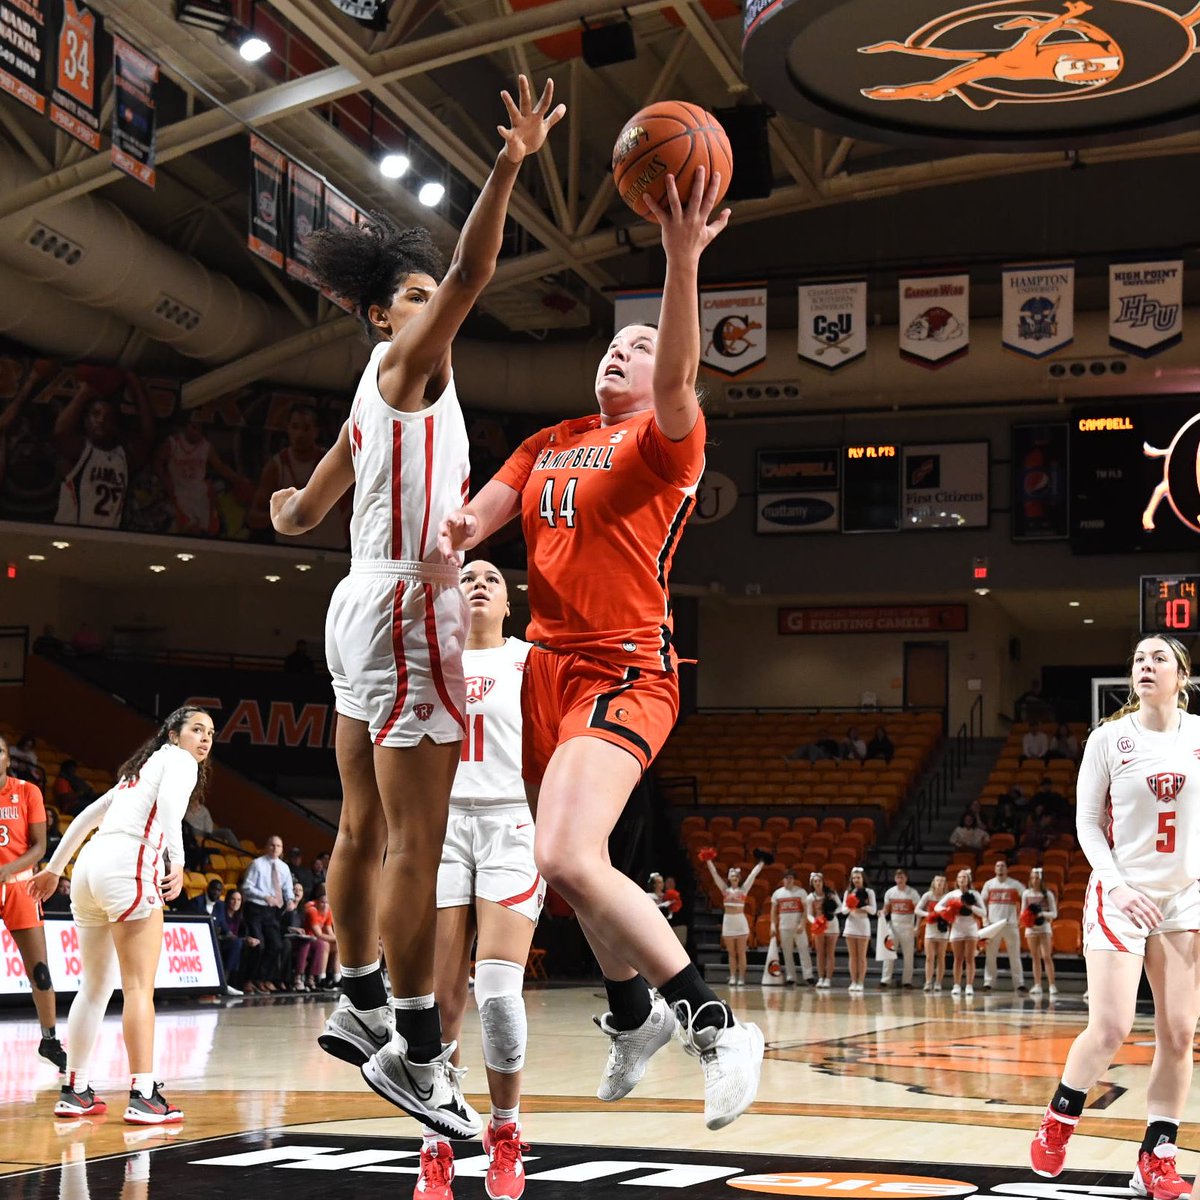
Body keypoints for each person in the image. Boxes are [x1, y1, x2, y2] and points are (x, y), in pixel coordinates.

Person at [439, 160, 763, 1132]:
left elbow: (677, 372)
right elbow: (477, 520)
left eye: (642, 347)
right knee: (578, 873)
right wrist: (454, 532)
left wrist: (678, 261)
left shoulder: (669, 443)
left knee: (566, 853)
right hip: (545, 668)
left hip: (626, 665)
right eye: (614, 344)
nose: (623, 354)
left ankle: (711, 1023)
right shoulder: (549, 441)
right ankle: (630, 1015)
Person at [269, 75, 564, 1143]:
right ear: (384, 313)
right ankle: (415, 1047)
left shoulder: (367, 398)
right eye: (418, 291)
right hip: (404, 610)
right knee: (417, 836)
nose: (438, 298)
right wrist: (509, 162)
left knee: (358, 822)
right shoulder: (410, 362)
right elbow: (482, 266)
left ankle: (352, 996)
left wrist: (285, 507)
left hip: (356, 601)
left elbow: (303, 511)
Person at [1030, 636, 1200, 1196]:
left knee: (1178, 1034)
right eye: (1138, 659)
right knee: (1109, 1028)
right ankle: (1058, 1121)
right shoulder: (1109, 739)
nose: (1145, 666)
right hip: (1121, 895)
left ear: (1182, 675)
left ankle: (1157, 1155)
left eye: (1159, 659)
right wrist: (1118, 886)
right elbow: (1084, 824)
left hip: (1183, 898)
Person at [418, 559, 544, 1198]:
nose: (478, 583)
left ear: (508, 604)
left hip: (509, 825)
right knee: (440, 1004)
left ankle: (506, 1132)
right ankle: (436, 1142)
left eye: (492, 578)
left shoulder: (529, 661)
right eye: (466, 577)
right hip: (440, 828)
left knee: (498, 996)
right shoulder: (428, 657)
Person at [29, 706, 214, 1124]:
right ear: (173, 735)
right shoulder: (178, 761)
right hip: (128, 862)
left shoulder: (140, 771)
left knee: (94, 987)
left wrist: (56, 868)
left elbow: (86, 817)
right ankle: (144, 1094)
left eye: (210, 733)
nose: (204, 739)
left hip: (89, 868)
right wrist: (178, 861)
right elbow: (169, 805)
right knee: (137, 989)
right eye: (196, 730)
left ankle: (75, 1090)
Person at [0, 734, 67, 1073]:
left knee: (39, 971)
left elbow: (39, 847)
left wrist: (7, 869)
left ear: (7, 757)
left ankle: (50, 1039)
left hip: (19, 887)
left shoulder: (28, 792)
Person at [53, 371, 154, 528]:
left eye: (108, 417)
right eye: (96, 414)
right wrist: (85, 393)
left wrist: (134, 382)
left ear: (115, 426)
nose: (101, 420)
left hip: (106, 537)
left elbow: (148, 437)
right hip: (70, 533)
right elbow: (60, 432)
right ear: (85, 421)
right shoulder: (79, 451)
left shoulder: (122, 458)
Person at [249, 402, 349, 549]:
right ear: (288, 429)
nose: (300, 434)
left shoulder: (333, 460)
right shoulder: (276, 466)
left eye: (306, 428)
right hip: (290, 550)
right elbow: (253, 517)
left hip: (330, 549)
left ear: (316, 431)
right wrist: (281, 516)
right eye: (295, 427)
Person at [154, 409, 250, 536]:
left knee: (209, 531)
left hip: (200, 493)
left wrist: (238, 479)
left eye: (200, 429)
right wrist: (164, 480)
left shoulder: (206, 446)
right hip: (179, 491)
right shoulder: (173, 443)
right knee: (189, 529)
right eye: (193, 427)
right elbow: (157, 462)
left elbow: (220, 466)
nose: (196, 432)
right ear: (186, 426)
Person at [239, 835, 294, 994]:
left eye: (278, 846)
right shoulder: (257, 864)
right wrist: (265, 896)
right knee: (259, 945)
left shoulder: (284, 867)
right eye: (272, 845)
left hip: (272, 911)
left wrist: (290, 900)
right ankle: (248, 980)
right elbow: (246, 887)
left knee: (276, 945)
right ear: (266, 846)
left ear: (282, 849)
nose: (275, 848)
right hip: (255, 908)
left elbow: (287, 888)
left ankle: (262, 979)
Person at [703, 857, 764, 987]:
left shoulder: (743, 890)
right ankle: (732, 976)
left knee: (741, 952)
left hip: (740, 922)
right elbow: (714, 875)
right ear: (729, 877)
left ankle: (741, 978)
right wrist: (708, 860)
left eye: (736, 875)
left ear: (739, 877)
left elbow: (753, 875)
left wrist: (761, 862)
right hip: (728, 923)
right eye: (732, 874)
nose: (734, 876)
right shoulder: (724, 890)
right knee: (731, 953)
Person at [935, 868, 986, 997]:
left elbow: (984, 912)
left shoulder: (975, 894)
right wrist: (949, 909)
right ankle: (956, 985)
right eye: (959, 877)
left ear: (968, 879)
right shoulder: (952, 894)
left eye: (964, 877)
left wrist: (971, 907)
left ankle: (969, 985)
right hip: (957, 928)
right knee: (957, 959)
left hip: (970, 927)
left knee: (970, 958)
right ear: (956, 880)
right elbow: (937, 907)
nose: (962, 879)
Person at [981, 859, 1026, 992]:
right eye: (997, 866)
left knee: (1015, 955)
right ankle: (988, 982)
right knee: (990, 955)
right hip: (993, 924)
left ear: (1007, 869)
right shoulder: (989, 884)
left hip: (1010, 923)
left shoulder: (1014, 884)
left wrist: (1021, 916)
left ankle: (1019, 983)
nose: (1000, 868)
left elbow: (1027, 896)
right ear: (994, 869)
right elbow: (981, 901)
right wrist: (984, 919)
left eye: (1002, 866)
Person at [770, 868, 812, 986]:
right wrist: (773, 925)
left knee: (803, 950)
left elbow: (805, 910)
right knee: (787, 953)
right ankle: (790, 977)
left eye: (791, 878)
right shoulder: (777, 893)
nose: (788, 880)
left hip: (798, 927)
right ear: (783, 880)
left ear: (794, 880)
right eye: (786, 878)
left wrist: (802, 923)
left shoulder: (801, 892)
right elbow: (773, 911)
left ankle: (808, 976)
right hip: (783, 927)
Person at [880, 867, 920, 989]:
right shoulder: (890, 892)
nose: (900, 879)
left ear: (906, 878)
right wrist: (881, 912)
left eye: (902, 877)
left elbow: (918, 911)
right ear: (895, 879)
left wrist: (917, 926)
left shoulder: (912, 893)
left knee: (908, 955)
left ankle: (907, 981)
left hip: (908, 927)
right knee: (889, 954)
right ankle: (885, 980)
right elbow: (886, 909)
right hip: (893, 926)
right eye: (898, 877)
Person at [1022, 866, 1058, 997]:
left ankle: (1052, 985)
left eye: (1037, 878)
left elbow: (1054, 914)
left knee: (1046, 956)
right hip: (1031, 929)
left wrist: (1041, 914)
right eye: (1032, 878)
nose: (1034, 880)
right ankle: (1037, 985)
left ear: (1041, 879)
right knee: (1035, 957)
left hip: (1044, 928)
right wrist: (1028, 919)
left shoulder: (1047, 894)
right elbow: (1022, 912)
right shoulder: (1026, 894)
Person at [840, 867, 877, 993]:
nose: (856, 880)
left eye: (858, 877)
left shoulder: (869, 892)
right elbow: (843, 910)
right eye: (854, 878)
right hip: (851, 925)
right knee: (852, 956)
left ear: (863, 878)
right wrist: (852, 906)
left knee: (861, 956)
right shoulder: (848, 892)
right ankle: (853, 981)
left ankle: (861, 982)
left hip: (863, 925)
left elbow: (873, 910)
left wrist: (864, 907)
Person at [298, 883, 338, 991]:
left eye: (327, 902)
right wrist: (339, 940)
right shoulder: (312, 909)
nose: (325, 905)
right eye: (323, 902)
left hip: (318, 938)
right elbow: (318, 933)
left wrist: (338, 941)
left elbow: (329, 930)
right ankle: (321, 977)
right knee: (324, 944)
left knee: (338, 947)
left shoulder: (328, 909)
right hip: (308, 938)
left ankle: (336, 977)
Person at [916, 874, 950, 992]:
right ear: (933, 882)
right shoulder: (927, 895)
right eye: (937, 880)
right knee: (929, 957)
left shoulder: (947, 897)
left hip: (943, 929)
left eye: (942, 881)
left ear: (945, 884)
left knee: (941, 957)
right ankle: (928, 981)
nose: (939, 883)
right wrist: (928, 915)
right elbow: (917, 910)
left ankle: (938, 983)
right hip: (930, 929)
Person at [808, 872, 841, 988]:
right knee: (820, 953)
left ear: (823, 882)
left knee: (830, 953)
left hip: (832, 925)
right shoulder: (810, 897)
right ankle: (821, 977)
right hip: (819, 927)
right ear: (812, 883)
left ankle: (828, 979)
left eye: (819, 881)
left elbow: (840, 907)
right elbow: (809, 914)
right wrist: (816, 921)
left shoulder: (831, 894)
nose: (817, 883)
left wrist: (830, 914)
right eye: (815, 881)